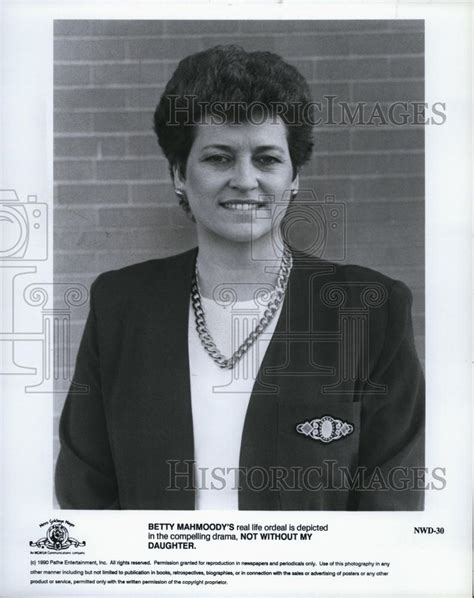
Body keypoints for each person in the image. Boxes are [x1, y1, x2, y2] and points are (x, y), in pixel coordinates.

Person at [55, 45, 424, 511]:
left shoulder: (371, 308)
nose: (245, 180)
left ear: (294, 178)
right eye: (219, 158)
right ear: (178, 174)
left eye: (267, 159)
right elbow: (85, 492)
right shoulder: (120, 304)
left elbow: (389, 509)